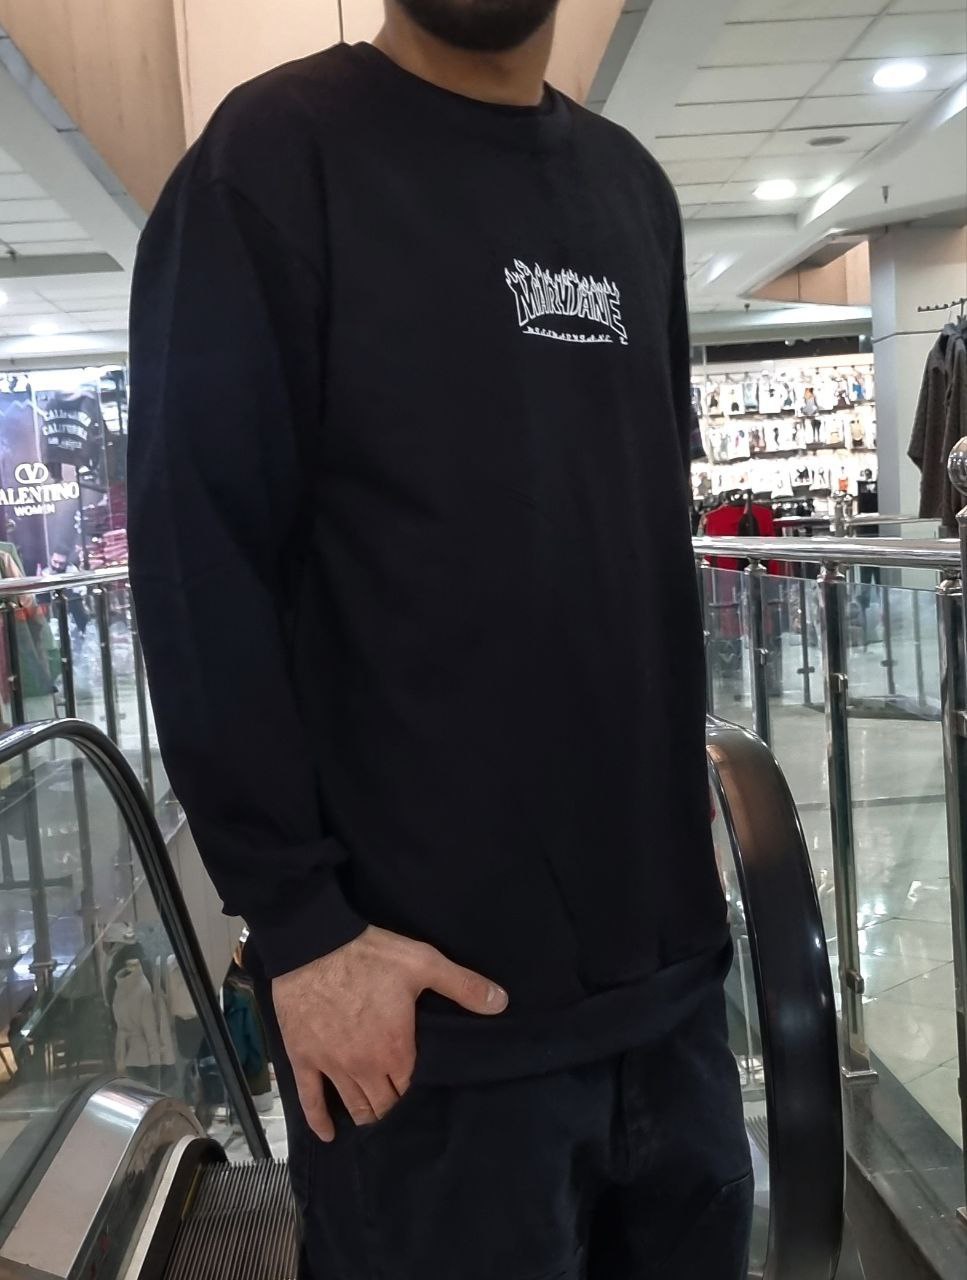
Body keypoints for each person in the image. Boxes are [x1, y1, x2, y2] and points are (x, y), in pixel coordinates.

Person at [128, 3, 752, 1276]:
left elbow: (625, 542)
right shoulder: (270, 162)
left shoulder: (631, 190)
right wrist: (301, 927)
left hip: (669, 1003)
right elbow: (198, 564)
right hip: (422, 1035)